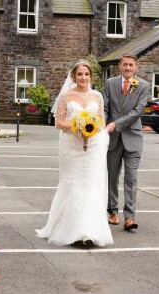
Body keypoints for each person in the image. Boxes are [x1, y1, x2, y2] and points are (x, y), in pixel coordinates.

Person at [36, 61, 113, 247]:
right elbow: (59, 122)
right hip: (71, 146)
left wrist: (93, 128)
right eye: (80, 74)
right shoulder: (66, 96)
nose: (83, 78)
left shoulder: (97, 96)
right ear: (74, 76)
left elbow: (101, 122)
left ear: (91, 77)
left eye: (86, 74)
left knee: (90, 184)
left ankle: (89, 231)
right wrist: (77, 126)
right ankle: (72, 230)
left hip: (92, 147)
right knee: (73, 183)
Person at [104, 54, 150, 230]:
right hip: (112, 138)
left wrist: (115, 124)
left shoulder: (143, 85)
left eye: (131, 65)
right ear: (119, 65)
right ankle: (113, 211)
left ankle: (130, 217)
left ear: (137, 66)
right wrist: (103, 127)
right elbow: (106, 108)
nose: (128, 68)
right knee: (112, 176)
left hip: (133, 138)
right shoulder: (110, 83)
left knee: (131, 178)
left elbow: (138, 112)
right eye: (125, 65)